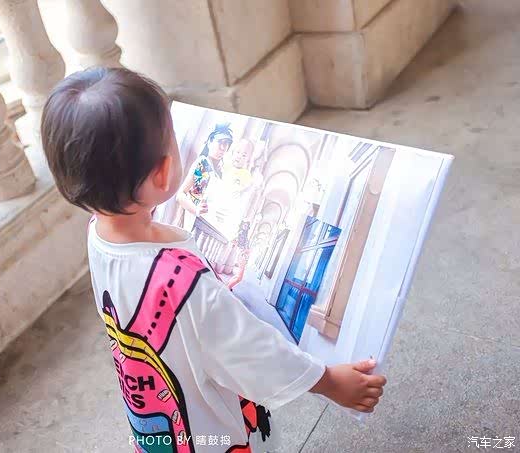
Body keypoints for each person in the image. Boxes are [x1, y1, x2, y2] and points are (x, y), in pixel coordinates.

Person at [41, 67, 387, 453]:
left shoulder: (99, 232)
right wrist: (329, 382)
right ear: (164, 172)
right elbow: (253, 351)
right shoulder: (185, 283)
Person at [174, 123, 233, 231]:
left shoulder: (221, 171)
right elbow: (180, 195)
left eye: (226, 143)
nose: (222, 147)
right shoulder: (203, 164)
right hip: (196, 223)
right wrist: (196, 210)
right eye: (219, 142)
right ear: (210, 142)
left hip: (211, 225)